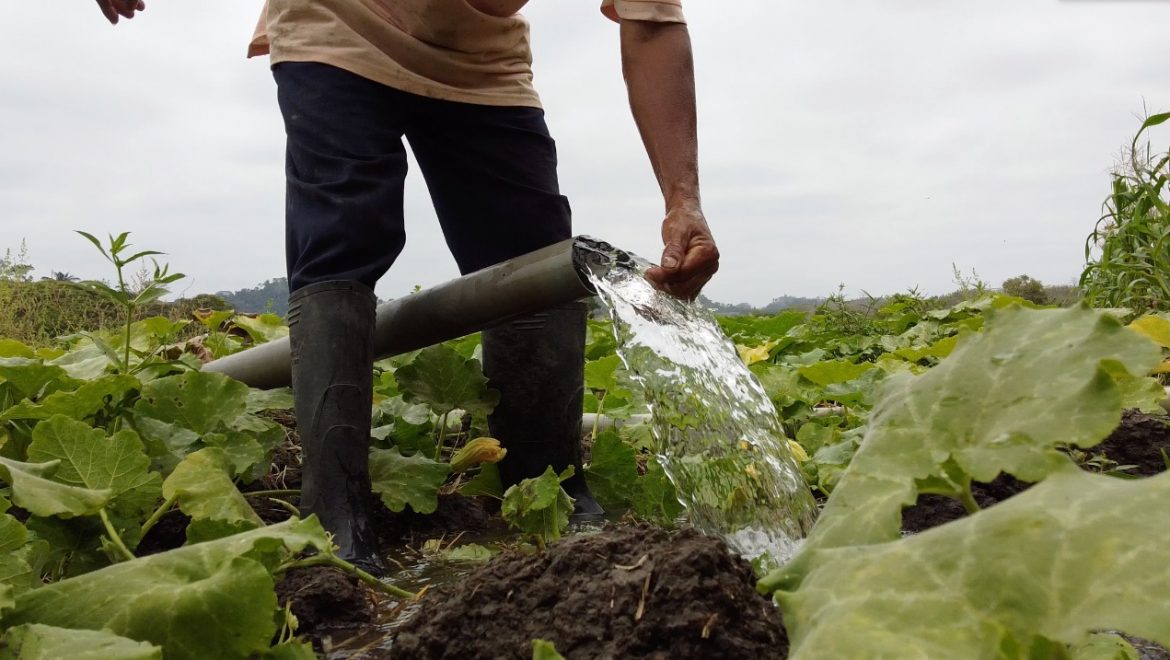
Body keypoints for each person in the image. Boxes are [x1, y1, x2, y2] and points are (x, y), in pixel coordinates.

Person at [95, 0, 720, 572]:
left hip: (479, 56)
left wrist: (682, 200)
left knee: (530, 249)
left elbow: (654, 25)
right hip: (336, 22)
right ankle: (336, 512)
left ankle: (549, 488)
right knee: (344, 229)